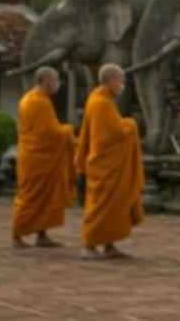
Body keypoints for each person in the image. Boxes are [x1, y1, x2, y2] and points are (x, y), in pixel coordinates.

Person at [75, 63, 144, 259]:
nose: (122, 86)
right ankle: (89, 246)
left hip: (109, 165)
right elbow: (113, 134)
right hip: (104, 166)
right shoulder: (100, 103)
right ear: (112, 81)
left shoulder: (101, 99)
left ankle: (109, 244)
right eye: (121, 81)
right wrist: (130, 124)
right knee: (101, 207)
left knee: (114, 207)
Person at [12, 66, 75, 249]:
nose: (58, 84)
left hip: (40, 156)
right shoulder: (37, 102)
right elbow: (50, 132)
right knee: (31, 196)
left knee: (46, 197)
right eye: (56, 80)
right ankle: (17, 235)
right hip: (36, 157)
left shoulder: (38, 99)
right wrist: (68, 131)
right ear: (46, 81)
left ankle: (42, 234)